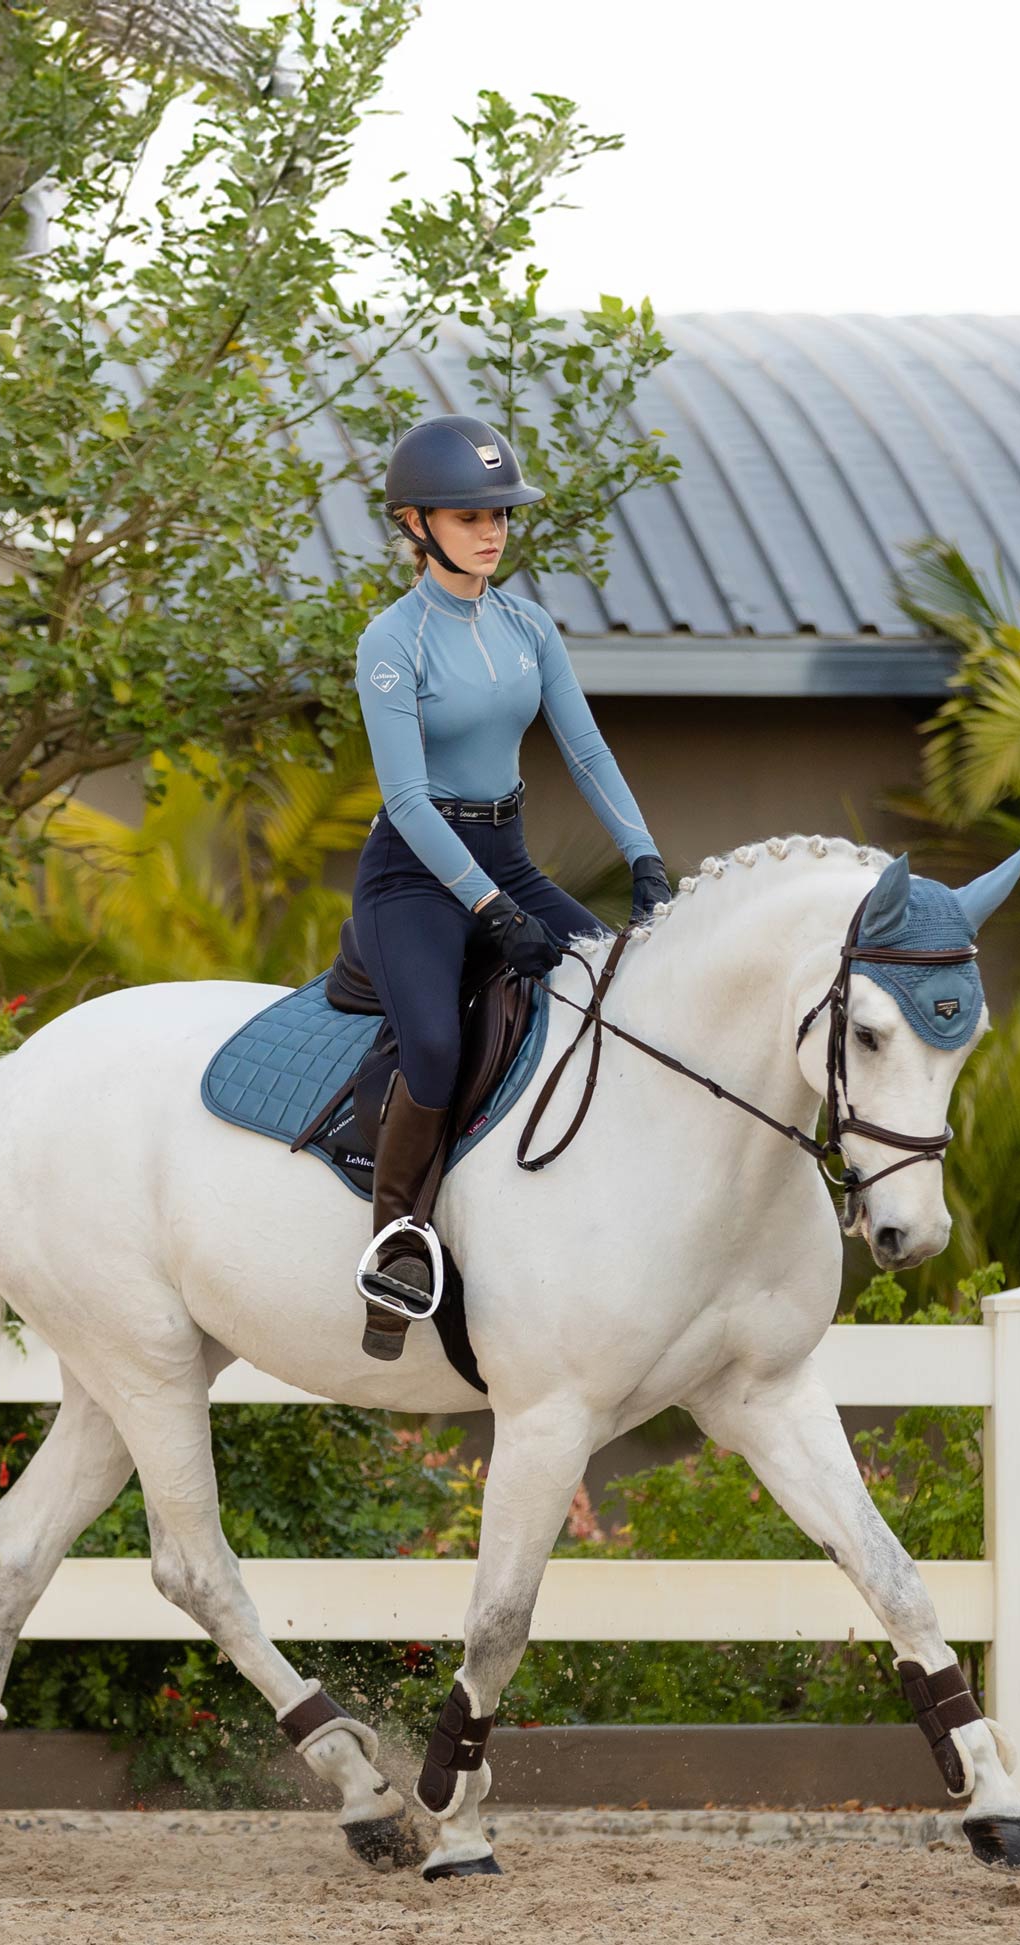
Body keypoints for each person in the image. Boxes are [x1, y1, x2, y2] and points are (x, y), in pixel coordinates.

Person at [350, 413, 672, 1360]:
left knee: (617, 991)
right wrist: (491, 911)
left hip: (510, 850)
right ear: (415, 522)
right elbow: (407, 800)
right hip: (416, 875)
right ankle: (396, 1245)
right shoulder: (391, 641)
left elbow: (584, 746)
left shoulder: (529, 625)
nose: (492, 530)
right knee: (440, 1045)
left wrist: (645, 857)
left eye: (500, 513)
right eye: (468, 514)